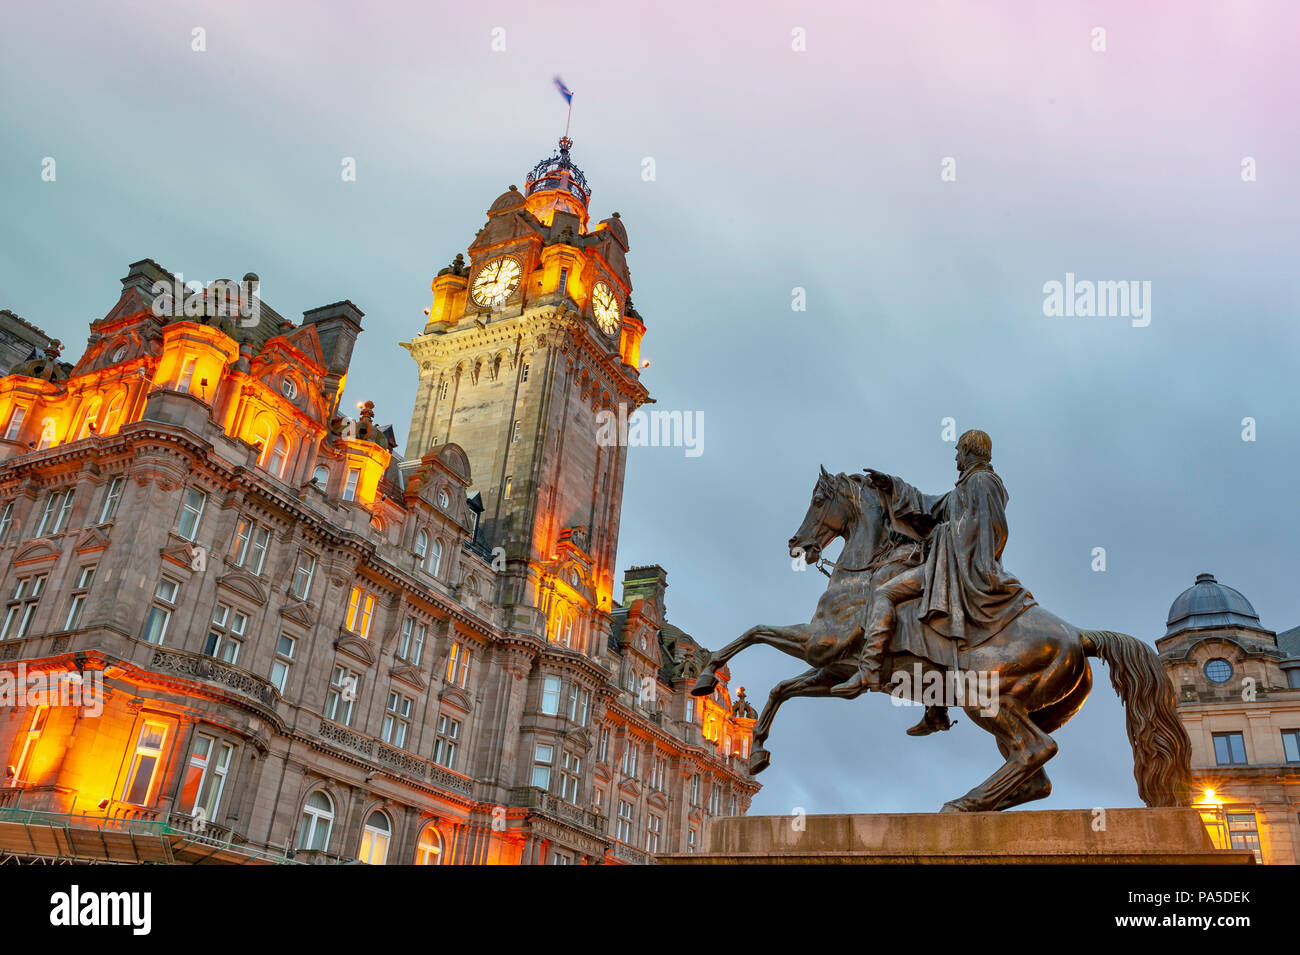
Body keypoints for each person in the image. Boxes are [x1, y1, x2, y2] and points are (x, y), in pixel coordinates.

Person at [832, 430, 1035, 711]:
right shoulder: (964, 488)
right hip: (950, 564)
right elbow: (929, 506)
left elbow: (990, 530)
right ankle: (935, 706)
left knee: (884, 594)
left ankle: (868, 670)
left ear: (969, 451)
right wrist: (892, 485)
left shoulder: (982, 482)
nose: (955, 456)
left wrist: (943, 536)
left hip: (965, 570)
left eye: (958, 450)